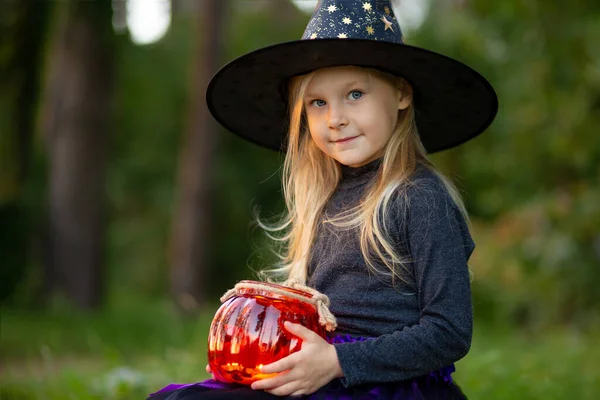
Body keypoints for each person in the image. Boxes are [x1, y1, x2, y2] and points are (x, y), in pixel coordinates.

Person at [148, 0, 497, 399]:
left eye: (354, 94)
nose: (335, 118)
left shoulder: (420, 198)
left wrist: (337, 362)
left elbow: (449, 331)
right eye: (318, 103)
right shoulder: (325, 198)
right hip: (323, 371)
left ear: (402, 93)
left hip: (386, 383)